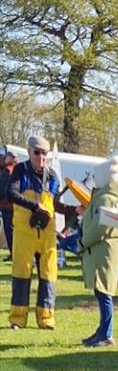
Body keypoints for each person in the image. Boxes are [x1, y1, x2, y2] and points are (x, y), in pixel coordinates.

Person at [7, 135, 62, 329]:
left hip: (47, 233)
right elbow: (11, 193)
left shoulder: (52, 176)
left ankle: (46, 318)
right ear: (29, 152)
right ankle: (17, 319)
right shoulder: (20, 171)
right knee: (21, 273)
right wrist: (34, 205)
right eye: (37, 153)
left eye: (44, 153)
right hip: (24, 232)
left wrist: (74, 210)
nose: (41, 157)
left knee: (49, 274)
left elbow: (54, 203)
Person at [80, 156, 118, 347]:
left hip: (103, 252)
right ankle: (102, 331)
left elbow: (100, 227)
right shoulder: (106, 197)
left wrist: (82, 242)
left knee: (104, 293)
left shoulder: (105, 199)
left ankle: (106, 334)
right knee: (102, 292)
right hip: (102, 251)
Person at [0, 150, 18, 255]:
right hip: (16, 205)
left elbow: (3, 188)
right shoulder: (19, 169)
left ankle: (13, 253)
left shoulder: (8, 170)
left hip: (6, 205)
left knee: (9, 230)